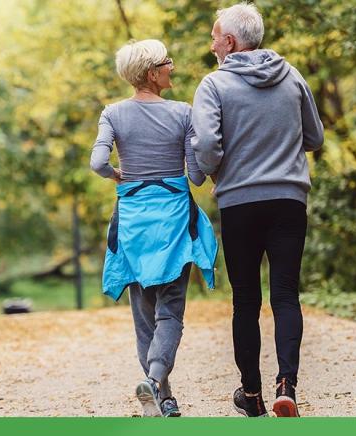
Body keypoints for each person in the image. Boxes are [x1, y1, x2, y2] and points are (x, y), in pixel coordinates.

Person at [191, 3, 324, 418]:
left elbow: (208, 147)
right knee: (286, 295)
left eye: (215, 36)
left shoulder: (213, 86)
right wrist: (279, 152)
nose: (212, 44)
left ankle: (251, 394)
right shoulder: (293, 75)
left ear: (229, 42)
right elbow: (314, 136)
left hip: (239, 202)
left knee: (246, 300)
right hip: (289, 200)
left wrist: (214, 172)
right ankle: (288, 385)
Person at [90, 39, 218, 418]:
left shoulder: (112, 113)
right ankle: (158, 378)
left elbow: (98, 162)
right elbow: (195, 176)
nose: (172, 66)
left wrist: (116, 174)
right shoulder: (183, 112)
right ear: (152, 73)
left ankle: (160, 394)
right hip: (173, 221)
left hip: (132, 221)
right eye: (166, 62)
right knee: (171, 310)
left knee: (144, 313)